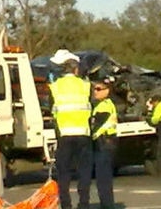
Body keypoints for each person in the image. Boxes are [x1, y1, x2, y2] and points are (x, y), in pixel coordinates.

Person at [48, 49, 93, 209]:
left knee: (64, 173)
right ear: (76, 69)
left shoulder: (55, 86)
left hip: (65, 135)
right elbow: (90, 108)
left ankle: (66, 205)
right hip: (83, 135)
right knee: (84, 173)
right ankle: (84, 204)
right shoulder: (86, 86)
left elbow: (52, 110)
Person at [90, 79, 118, 209]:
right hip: (105, 142)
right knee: (103, 177)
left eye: (98, 89)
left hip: (104, 143)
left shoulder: (105, 106)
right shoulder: (102, 104)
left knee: (103, 178)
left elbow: (96, 128)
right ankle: (107, 204)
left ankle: (107, 205)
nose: (95, 91)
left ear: (107, 90)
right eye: (94, 89)